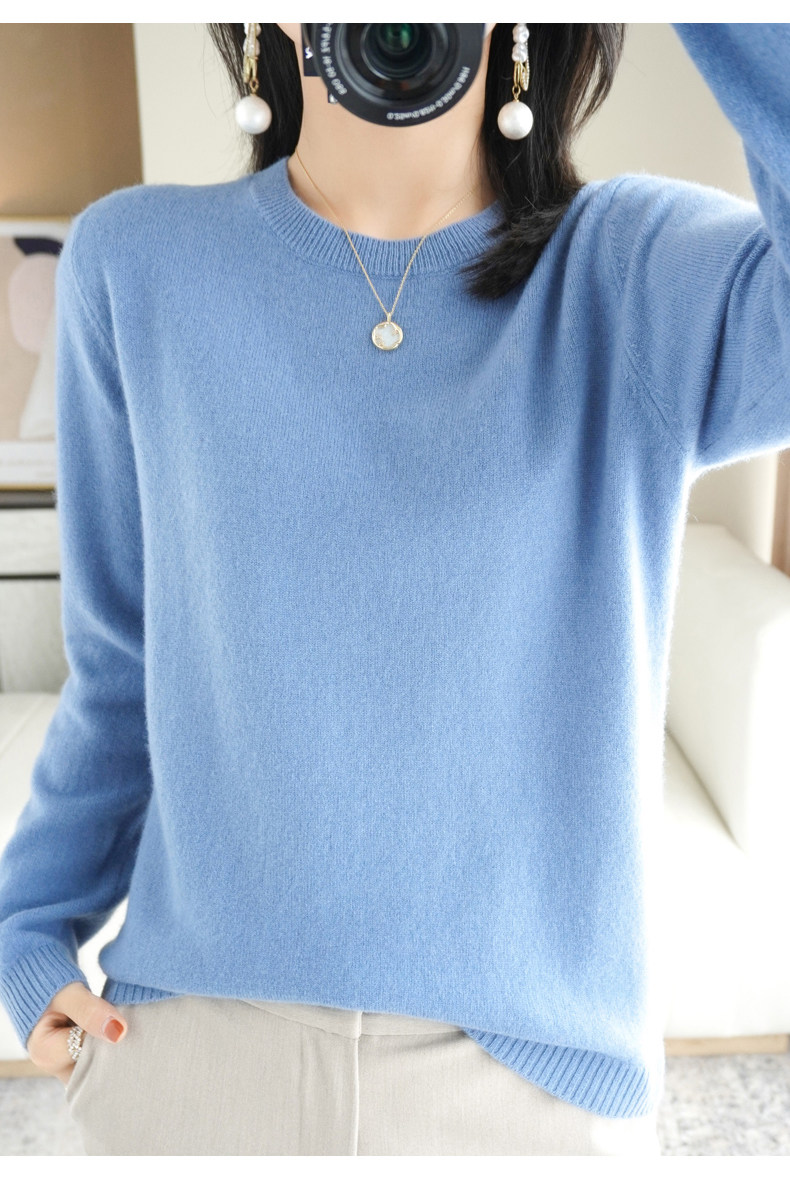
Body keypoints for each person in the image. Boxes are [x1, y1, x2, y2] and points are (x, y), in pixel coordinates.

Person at [0, 21, 788, 1157]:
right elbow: (122, 662)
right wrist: (30, 928)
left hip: (532, 1084)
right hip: (193, 1056)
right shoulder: (136, 262)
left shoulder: (631, 272)